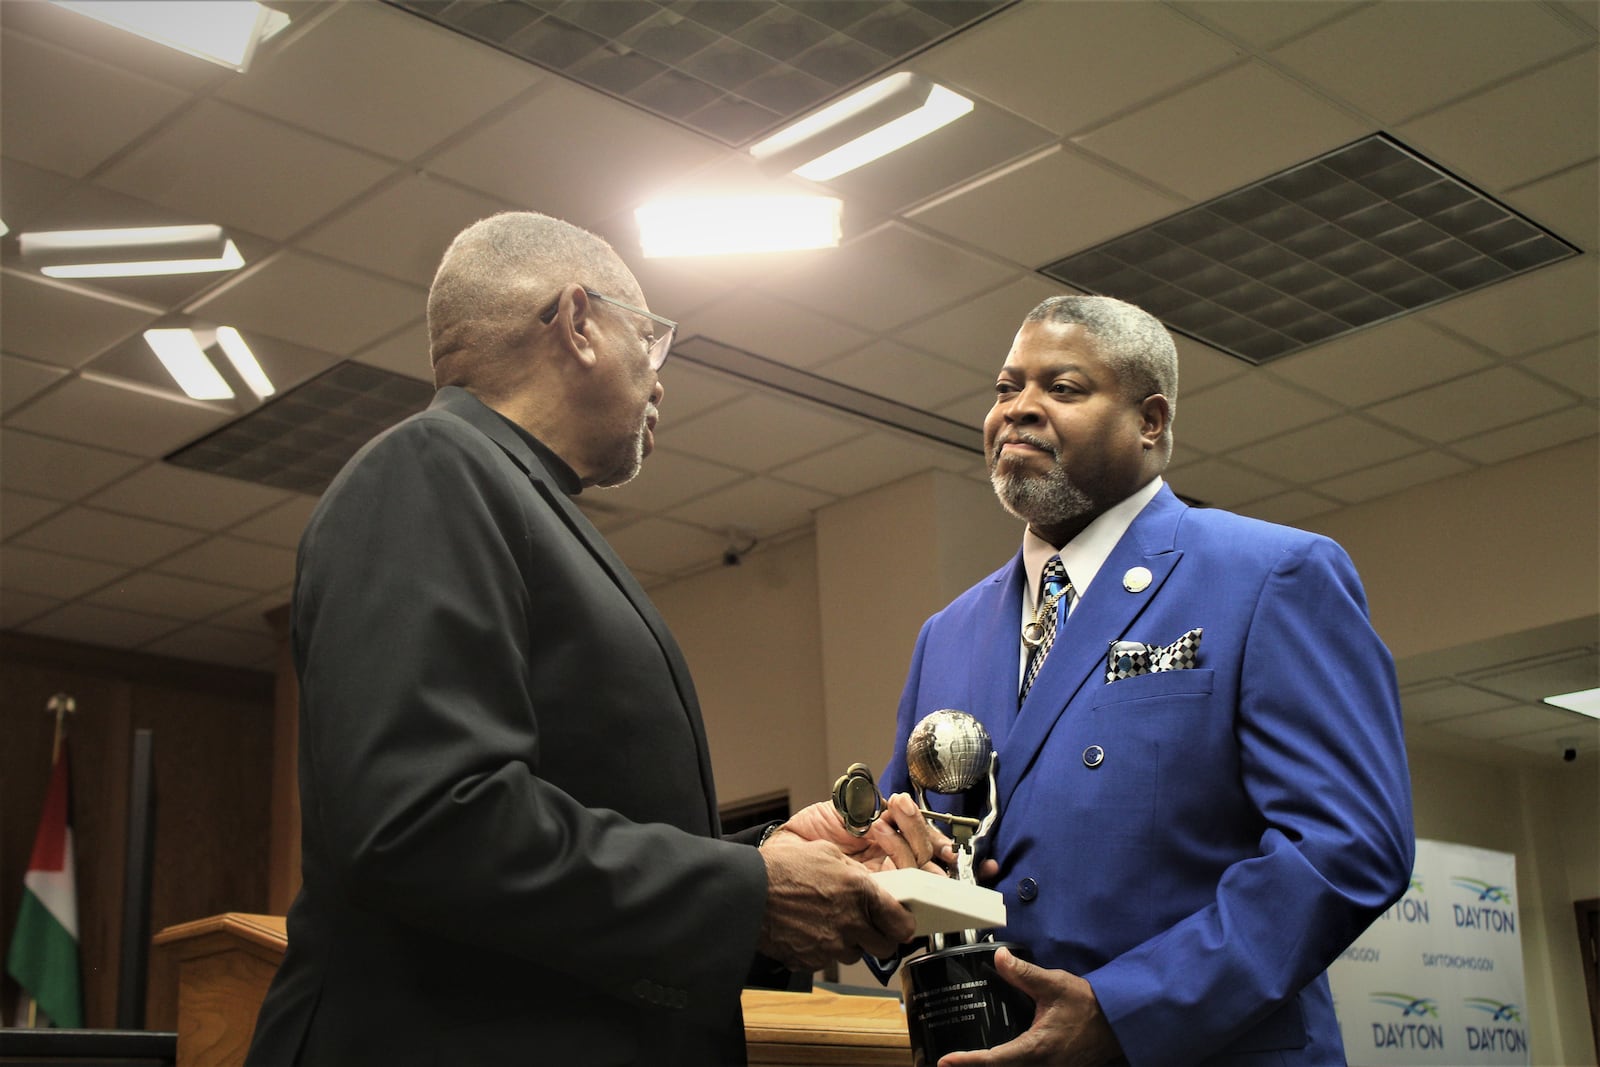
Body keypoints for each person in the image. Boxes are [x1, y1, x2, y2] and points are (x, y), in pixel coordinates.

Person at [246, 211, 943, 1067]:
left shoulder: (512, 498)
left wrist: (766, 860)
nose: (660, 383)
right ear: (579, 323)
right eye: (650, 342)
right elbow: (428, 820)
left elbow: (557, 821)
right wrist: (745, 893)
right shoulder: (429, 469)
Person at [877, 295, 1415, 1066]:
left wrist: (1126, 1011)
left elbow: (1347, 845)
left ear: (1150, 421)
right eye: (1004, 388)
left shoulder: (1270, 574)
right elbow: (911, 844)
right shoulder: (946, 634)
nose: (1018, 409)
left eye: (1061, 388)